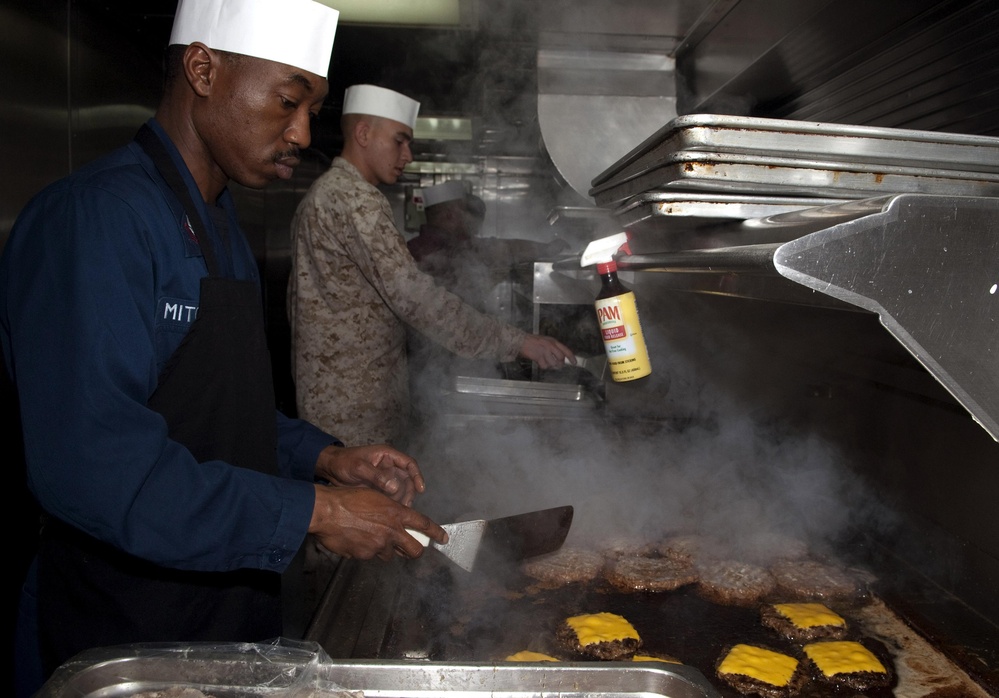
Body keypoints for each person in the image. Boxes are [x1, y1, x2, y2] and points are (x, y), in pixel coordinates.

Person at [1, 1, 447, 694]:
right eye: (288, 101)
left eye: (312, 108)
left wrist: (324, 456)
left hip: (226, 609)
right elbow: (97, 468)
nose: (301, 132)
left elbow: (213, 409)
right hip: (123, 627)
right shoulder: (96, 220)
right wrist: (318, 511)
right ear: (203, 70)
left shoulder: (217, 220)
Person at [288, 84, 576, 448]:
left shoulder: (327, 194)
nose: (407, 155)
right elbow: (417, 298)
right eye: (400, 140)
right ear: (363, 133)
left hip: (340, 407)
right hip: (355, 417)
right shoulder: (353, 199)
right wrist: (519, 342)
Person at [407, 179, 570, 307]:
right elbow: (507, 249)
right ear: (450, 216)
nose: (469, 218)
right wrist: (547, 249)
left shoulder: (412, 248)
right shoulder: (433, 251)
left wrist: (546, 249)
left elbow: (507, 248)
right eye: (464, 211)